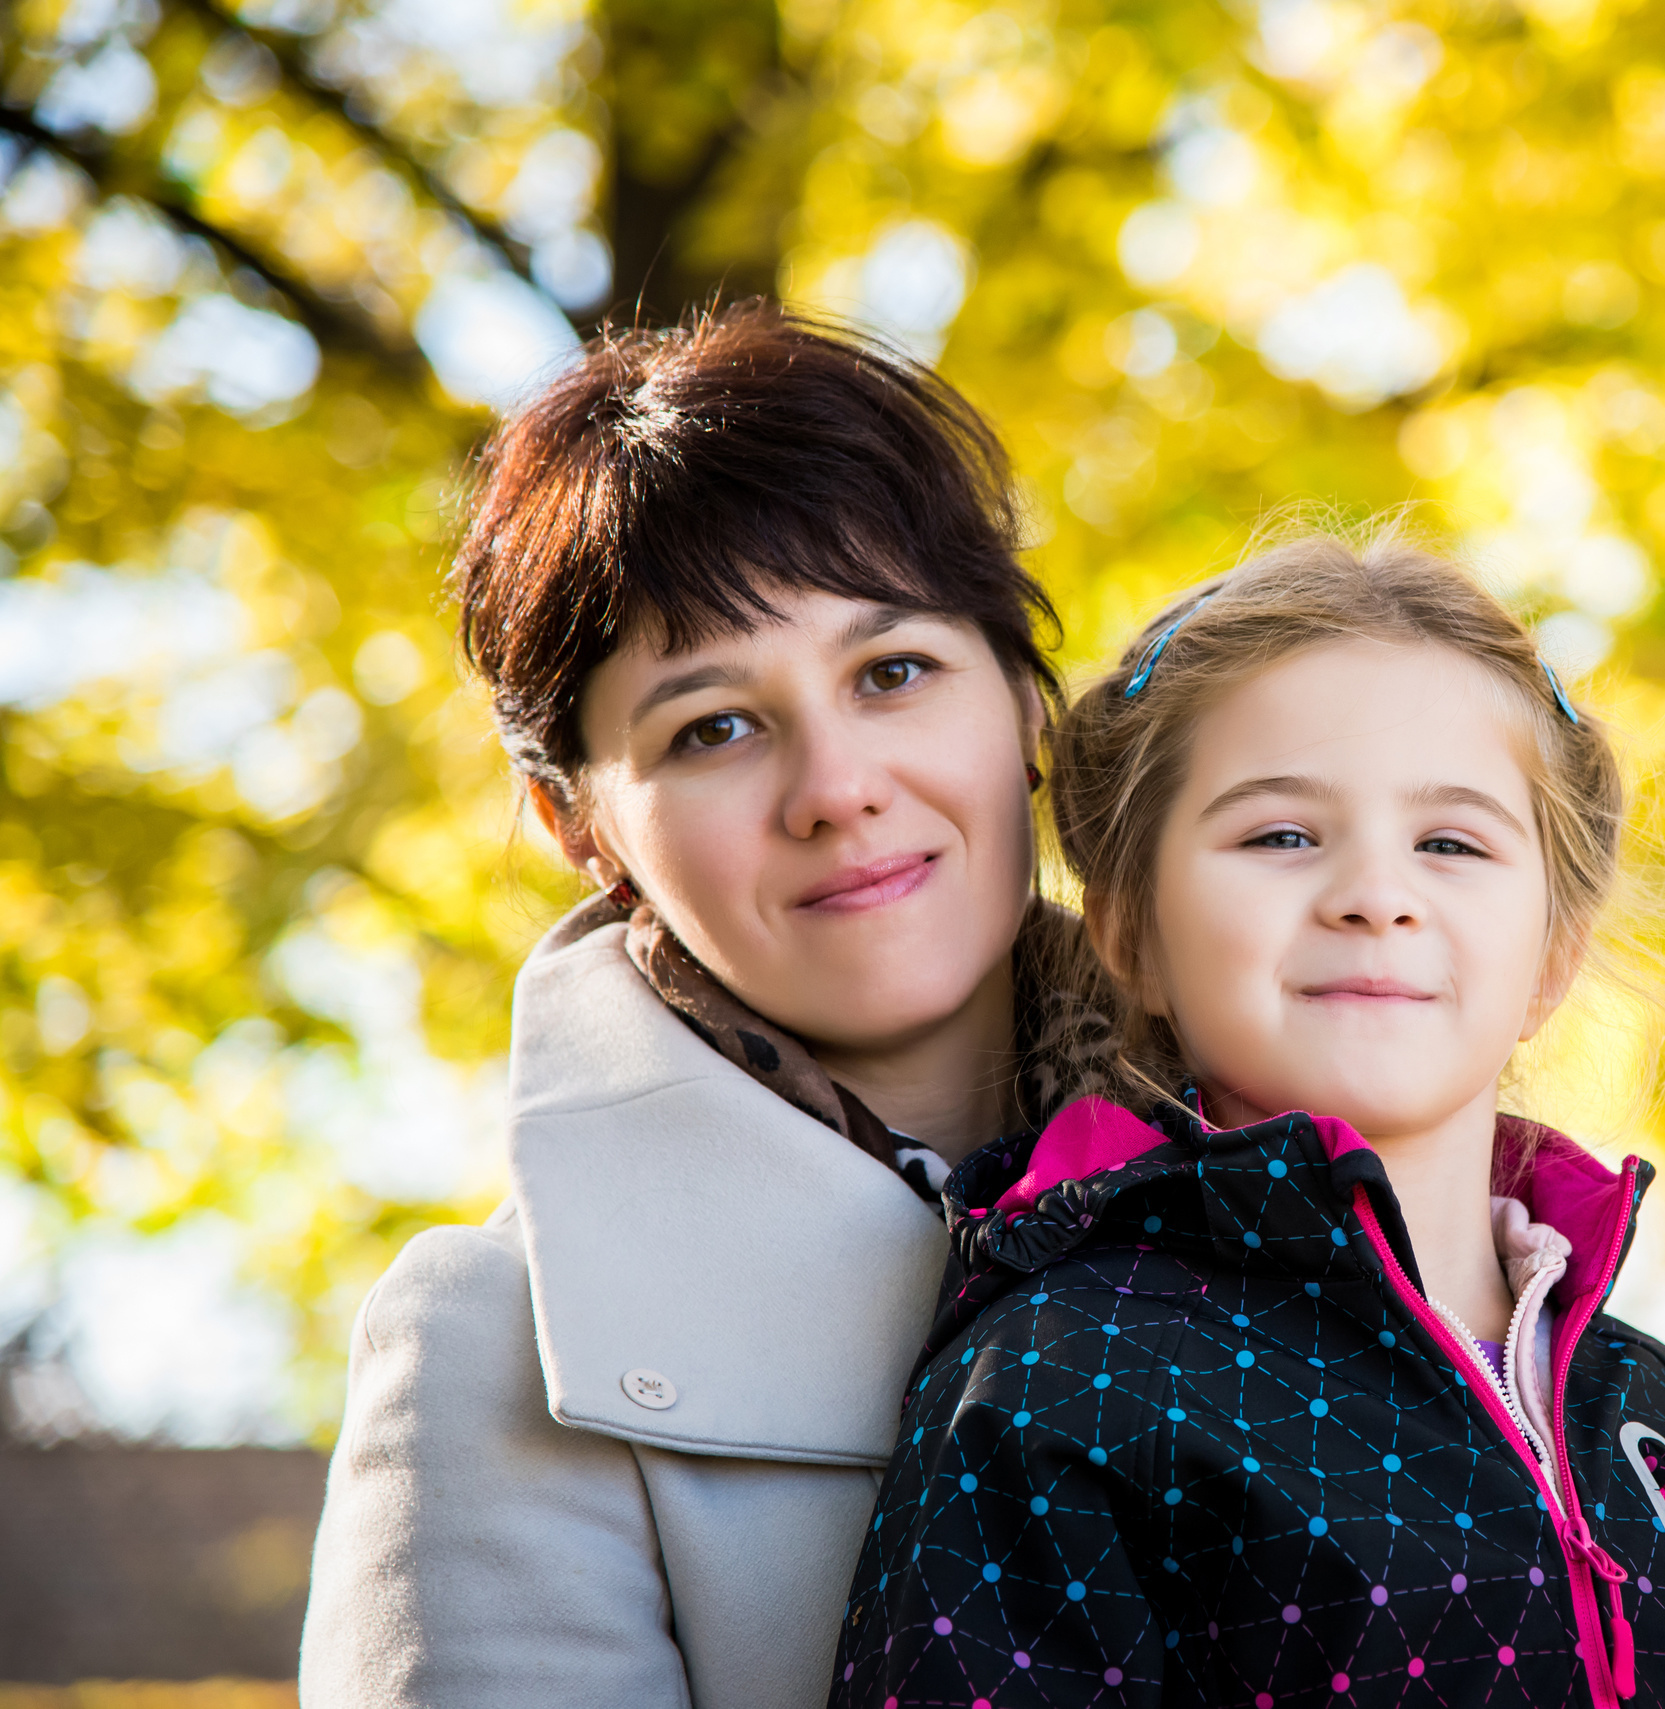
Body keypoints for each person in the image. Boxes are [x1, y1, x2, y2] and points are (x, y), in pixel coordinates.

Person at [829, 533, 1665, 1709]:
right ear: (1130, 932)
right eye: (1282, 835)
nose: (1374, 894)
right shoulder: (1063, 1386)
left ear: (1552, 956)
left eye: (1450, 842)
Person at [300, 304, 1109, 1709]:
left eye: (895, 670)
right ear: (578, 824)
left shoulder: (1333, 1200)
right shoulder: (503, 1349)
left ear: (1030, 707)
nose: (838, 786)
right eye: (713, 726)